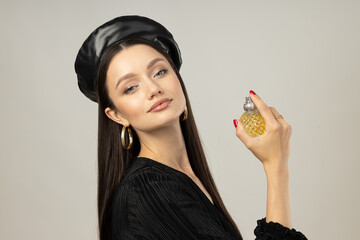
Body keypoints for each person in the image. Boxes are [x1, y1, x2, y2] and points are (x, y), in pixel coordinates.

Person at [74, 15, 308, 240]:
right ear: (116, 115)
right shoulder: (148, 191)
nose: (153, 88)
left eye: (160, 72)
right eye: (131, 87)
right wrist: (276, 166)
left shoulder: (179, 177)